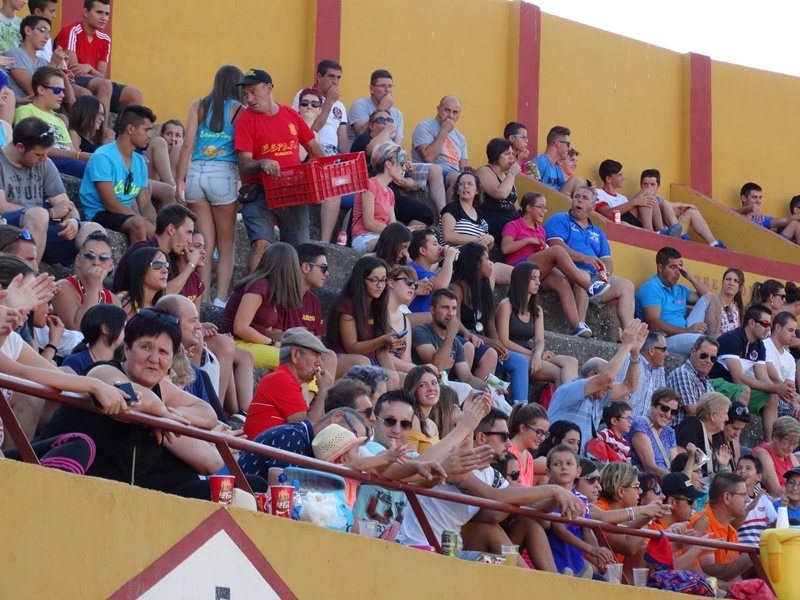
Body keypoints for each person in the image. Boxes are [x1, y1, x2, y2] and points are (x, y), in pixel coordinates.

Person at [37, 308, 217, 484]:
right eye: (146, 347)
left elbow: (208, 414)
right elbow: (132, 397)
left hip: (109, 491)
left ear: (172, 359)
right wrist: (161, 414)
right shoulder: (103, 371)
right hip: (48, 473)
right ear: (127, 348)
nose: (154, 359)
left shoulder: (161, 388)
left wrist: (174, 414)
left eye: (163, 352)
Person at [401, 407, 586, 567]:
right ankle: (536, 585)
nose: (509, 443)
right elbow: (496, 496)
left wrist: (558, 499)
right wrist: (554, 490)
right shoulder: (458, 461)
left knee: (501, 529)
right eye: (503, 436)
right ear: (481, 437)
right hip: (422, 548)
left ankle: (545, 582)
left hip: (452, 551)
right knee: (492, 534)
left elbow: (529, 505)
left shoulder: (490, 474)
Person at [233, 69, 325, 271]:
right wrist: (261, 163)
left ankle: (293, 291)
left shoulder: (290, 114)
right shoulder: (245, 119)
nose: (249, 99)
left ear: (269, 88)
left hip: (293, 192)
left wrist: (328, 169)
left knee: (300, 252)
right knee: (261, 245)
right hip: (260, 192)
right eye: (246, 94)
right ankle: (251, 288)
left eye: (254, 92)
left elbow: (312, 146)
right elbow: (244, 163)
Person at [175, 64, 244, 307]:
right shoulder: (239, 109)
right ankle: (219, 300)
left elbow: (187, 144)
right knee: (227, 245)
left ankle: (201, 300)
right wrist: (243, 184)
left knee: (204, 243)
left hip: (196, 173)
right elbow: (242, 149)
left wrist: (179, 181)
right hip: (223, 174)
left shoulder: (198, 105)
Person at [501, 192, 609, 337]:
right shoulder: (514, 225)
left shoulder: (540, 230)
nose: (545, 211)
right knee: (557, 250)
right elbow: (505, 248)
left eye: (545, 208)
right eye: (541, 207)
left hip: (536, 271)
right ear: (529, 208)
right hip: (519, 267)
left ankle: (577, 326)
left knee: (562, 282)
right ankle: (588, 287)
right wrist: (528, 240)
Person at [0, 116, 97, 266]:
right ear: (20, 147)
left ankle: (77, 282)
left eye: (46, 153)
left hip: (40, 234)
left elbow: (66, 205)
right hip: (7, 232)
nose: (45, 159)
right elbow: (2, 207)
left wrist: (72, 220)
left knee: (93, 231)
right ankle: (28, 277)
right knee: (39, 215)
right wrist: (49, 213)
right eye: (39, 154)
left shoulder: (45, 164)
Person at [547, 318, 648, 455]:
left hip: (582, 463)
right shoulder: (571, 389)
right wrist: (626, 346)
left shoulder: (598, 397)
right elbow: (607, 377)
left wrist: (634, 353)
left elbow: (629, 387)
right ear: (591, 375)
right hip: (558, 460)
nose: (610, 385)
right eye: (608, 381)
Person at [544, 186, 636, 330]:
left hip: (594, 278)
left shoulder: (598, 232)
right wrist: (583, 258)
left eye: (584, 198)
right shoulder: (559, 219)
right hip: (567, 272)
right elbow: (555, 245)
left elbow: (607, 259)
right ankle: (579, 328)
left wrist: (606, 273)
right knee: (584, 276)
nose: (579, 200)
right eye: (576, 196)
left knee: (627, 285)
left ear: (592, 207)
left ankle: (629, 334)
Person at [450, 242, 528, 404]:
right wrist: (488, 342)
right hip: (462, 340)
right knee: (485, 352)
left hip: (482, 344)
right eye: (487, 259)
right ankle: (468, 401)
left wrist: (499, 346)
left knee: (519, 361)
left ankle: (521, 407)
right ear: (476, 264)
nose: (491, 264)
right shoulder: (457, 288)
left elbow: (490, 326)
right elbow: (455, 322)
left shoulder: (484, 290)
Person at [79, 104, 158, 242]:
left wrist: (156, 226)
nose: (150, 136)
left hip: (124, 215)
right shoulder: (103, 157)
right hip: (100, 214)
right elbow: (110, 203)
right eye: (146, 130)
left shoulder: (139, 161)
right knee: (139, 223)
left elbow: (145, 204)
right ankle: (139, 257)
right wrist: (144, 222)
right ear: (131, 129)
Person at [496, 261, 579, 386]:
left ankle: (571, 397)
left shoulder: (537, 310)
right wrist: (535, 354)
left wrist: (538, 353)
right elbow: (504, 341)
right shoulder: (506, 305)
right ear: (522, 280)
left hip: (530, 353)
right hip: (511, 355)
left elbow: (539, 341)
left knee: (571, 361)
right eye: (533, 278)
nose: (538, 283)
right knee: (557, 372)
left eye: (539, 278)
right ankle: (565, 398)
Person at [709, 304, 785, 440]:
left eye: (770, 325)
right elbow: (738, 378)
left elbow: (763, 378)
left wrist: (779, 390)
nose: (768, 329)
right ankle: (734, 442)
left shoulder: (759, 345)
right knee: (744, 390)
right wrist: (776, 387)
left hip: (733, 388)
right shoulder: (732, 338)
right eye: (765, 324)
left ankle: (770, 445)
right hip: (713, 383)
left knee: (771, 397)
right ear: (751, 323)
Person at [242, 327, 333, 440]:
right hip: (261, 450)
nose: (320, 363)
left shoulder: (287, 379)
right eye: (315, 355)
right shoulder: (281, 379)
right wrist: (323, 390)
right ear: (295, 354)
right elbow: (308, 429)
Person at [56, 0, 144, 116]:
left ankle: (127, 128)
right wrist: (96, 74)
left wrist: (89, 68)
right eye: (99, 12)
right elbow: (74, 71)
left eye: (107, 14)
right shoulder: (71, 31)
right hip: (73, 81)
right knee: (105, 84)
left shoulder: (105, 39)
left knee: (135, 94)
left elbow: (101, 75)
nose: (104, 18)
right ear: (86, 12)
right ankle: (101, 127)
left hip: (96, 82)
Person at [238, 406, 368, 485]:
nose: (350, 444)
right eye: (352, 434)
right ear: (337, 417)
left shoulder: (313, 447)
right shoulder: (293, 436)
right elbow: (279, 488)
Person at [350, 109, 436, 224]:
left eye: (389, 120)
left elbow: (409, 179)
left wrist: (405, 182)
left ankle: (409, 235)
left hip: (391, 195)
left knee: (425, 213)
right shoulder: (363, 139)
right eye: (381, 119)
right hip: (370, 193)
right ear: (371, 125)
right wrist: (387, 130)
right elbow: (372, 150)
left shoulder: (392, 149)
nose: (386, 122)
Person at [544, 444, 615, 578]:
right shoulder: (548, 497)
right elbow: (561, 531)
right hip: (557, 564)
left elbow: (586, 531)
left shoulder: (582, 498)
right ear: (548, 472)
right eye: (557, 464)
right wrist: (592, 549)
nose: (564, 467)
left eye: (569, 463)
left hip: (577, 565)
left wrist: (599, 554)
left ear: (578, 471)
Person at [327, 255, 401, 379]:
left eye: (383, 280)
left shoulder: (378, 306)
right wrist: (382, 340)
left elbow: (382, 352)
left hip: (372, 363)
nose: (380, 285)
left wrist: (394, 376)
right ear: (361, 280)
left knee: (407, 378)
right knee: (363, 363)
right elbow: (351, 348)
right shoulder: (348, 305)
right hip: (346, 359)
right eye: (374, 280)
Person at [636, 247, 722, 351]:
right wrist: (687, 331)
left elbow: (710, 297)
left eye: (680, 267)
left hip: (685, 332)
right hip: (663, 339)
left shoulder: (679, 289)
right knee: (703, 342)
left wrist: (690, 277)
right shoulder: (651, 288)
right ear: (660, 267)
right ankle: (711, 347)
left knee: (712, 297)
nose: (677, 272)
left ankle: (713, 346)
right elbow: (654, 323)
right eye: (673, 267)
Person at [411, 288, 493, 391]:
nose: (451, 313)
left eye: (454, 308)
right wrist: (450, 335)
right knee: (466, 389)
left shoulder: (455, 342)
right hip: (423, 388)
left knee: (490, 395)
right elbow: (437, 366)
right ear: (432, 310)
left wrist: (490, 388)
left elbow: (467, 378)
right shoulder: (421, 332)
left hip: (443, 388)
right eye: (445, 308)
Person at [111, 203, 198, 295]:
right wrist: (191, 265)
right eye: (188, 232)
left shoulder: (169, 258)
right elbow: (161, 295)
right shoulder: (143, 249)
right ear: (171, 229)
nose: (190, 240)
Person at [667, 336, 748, 425]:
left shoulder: (706, 380)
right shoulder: (683, 374)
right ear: (693, 352)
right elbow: (693, 411)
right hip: (682, 430)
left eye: (713, 359)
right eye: (704, 356)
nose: (708, 361)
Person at [687, 473, 753, 584]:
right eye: (743, 494)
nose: (747, 499)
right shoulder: (699, 523)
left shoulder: (732, 532)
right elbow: (703, 575)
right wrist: (747, 561)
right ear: (727, 498)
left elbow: (734, 577)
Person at [639, 169, 726, 247]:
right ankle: (679, 235)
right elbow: (658, 204)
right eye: (645, 184)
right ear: (641, 185)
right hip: (656, 232)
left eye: (652, 184)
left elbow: (673, 211)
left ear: (658, 186)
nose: (648, 188)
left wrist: (681, 209)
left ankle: (714, 243)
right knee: (665, 204)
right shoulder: (638, 198)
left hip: (672, 231)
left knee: (692, 211)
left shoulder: (662, 201)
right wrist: (680, 204)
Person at [52, 231, 120, 330]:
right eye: (89, 256)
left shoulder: (115, 301)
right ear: (78, 260)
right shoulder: (63, 287)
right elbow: (79, 328)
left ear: (110, 265)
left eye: (103, 258)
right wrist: (94, 288)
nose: (96, 262)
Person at [594, 160, 680, 236]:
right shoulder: (598, 193)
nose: (623, 178)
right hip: (618, 224)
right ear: (608, 179)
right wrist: (634, 202)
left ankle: (661, 231)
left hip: (634, 223)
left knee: (652, 196)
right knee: (646, 193)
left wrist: (680, 206)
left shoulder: (623, 198)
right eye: (619, 175)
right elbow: (609, 214)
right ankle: (652, 232)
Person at [350, 142, 409, 253]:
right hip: (364, 237)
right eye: (401, 164)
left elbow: (392, 224)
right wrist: (399, 232)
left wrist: (403, 232)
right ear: (388, 164)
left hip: (382, 236)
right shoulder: (370, 184)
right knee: (393, 247)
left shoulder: (390, 193)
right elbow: (369, 222)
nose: (404, 169)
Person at [411, 95, 469, 191]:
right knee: (459, 180)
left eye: (455, 112)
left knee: (475, 181)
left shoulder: (461, 138)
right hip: (433, 173)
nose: (451, 116)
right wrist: (444, 130)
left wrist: (468, 171)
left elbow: (463, 165)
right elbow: (429, 157)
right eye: (447, 110)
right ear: (438, 109)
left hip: (454, 175)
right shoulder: (425, 127)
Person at [5, 16, 69, 101]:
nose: (47, 37)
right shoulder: (14, 55)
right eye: (42, 30)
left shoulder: (43, 61)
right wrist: (53, 64)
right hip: (23, 107)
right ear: (28, 30)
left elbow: (66, 98)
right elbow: (34, 91)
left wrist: (64, 69)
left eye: (49, 33)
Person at [674, 391, 732, 477]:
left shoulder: (719, 433)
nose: (727, 418)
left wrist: (724, 466)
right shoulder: (692, 424)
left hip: (715, 483)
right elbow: (679, 463)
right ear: (713, 416)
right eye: (725, 413)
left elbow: (729, 471)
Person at [626, 388, 680, 477]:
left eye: (673, 412)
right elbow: (650, 467)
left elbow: (675, 466)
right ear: (653, 405)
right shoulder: (640, 425)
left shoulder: (670, 431)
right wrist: (676, 480)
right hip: (645, 480)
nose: (668, 415)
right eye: (664, 408)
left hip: (667, 479)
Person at [474, 138, 520, 244]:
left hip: (509, 221)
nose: (512, 157)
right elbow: (501, 193)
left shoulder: (507, 177)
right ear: (495, 155)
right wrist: (512, 173)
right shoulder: (484, 171)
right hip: (490, 219)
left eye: (513, 154)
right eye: (507, 153)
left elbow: (516, 207)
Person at [613, 330, 668, 417]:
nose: (667, 354)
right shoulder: (631, 360)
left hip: (648, 423)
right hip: (627, 421)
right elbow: (622, 397)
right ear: (651, 351)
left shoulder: (659, 370)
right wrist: (628, 421)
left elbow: (661, 401)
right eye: (664, 350)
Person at [61, 303, 125, 376]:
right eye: (124, 327)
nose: (128, 332)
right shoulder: (75, 361)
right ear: (106, 329)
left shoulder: (124, 363)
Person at [407, 228, 458, 314]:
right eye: (435, 244)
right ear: (422, 251)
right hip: (415, 320)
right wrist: (449, 258)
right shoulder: (412, 269)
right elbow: (441, 285)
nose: (440, 247)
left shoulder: (426, 271)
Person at [735, 455, 777, 547]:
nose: (742, 471)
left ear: (758, 477)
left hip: (761, 550)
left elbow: (774, 529)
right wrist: (749, 508)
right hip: (739, 551)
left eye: (748, 468)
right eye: (739, 468)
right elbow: (731, 528)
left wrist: (784, 508)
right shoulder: (731, 499)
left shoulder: (764, 501)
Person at [736, 182, 800, 242]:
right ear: (744, 198)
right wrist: (751, 207)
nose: (758, 201)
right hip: (743, 245)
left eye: (760, 198)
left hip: (766, 247)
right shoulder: (733, 214)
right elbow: (735, 214)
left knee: (794, 223)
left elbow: (786, 220)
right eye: (754, 197)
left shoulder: (762, 219)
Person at [752, 416, 800, 497]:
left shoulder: (790, 456)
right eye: (787, 443)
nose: (791, 448)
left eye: (795, 444)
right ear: (775, 437)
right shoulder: (762, 453)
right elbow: (775, 491)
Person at [764, 311, 800, 418]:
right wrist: (794, 403)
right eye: (790, 330)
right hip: (768, 394)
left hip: (784, 397)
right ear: (778, 327)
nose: (794, 335)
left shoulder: (790, 358)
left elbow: (790, 388)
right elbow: (774, 378)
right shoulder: (764, 346)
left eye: (794, 331)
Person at [116, 247, 168, 317]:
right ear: (140, 268)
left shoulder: (162, 307)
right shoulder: (124, 302)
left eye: (166, 265)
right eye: (157, 265)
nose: (165, 270)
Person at [532, 125, 583, 197]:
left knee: (577, 180)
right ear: (557, 143)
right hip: (542, 201)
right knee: (576, 179)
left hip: (553, 200)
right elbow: (530, 190)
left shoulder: (557, 169)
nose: (569, 148)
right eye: (568, 144)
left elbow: (565, 189)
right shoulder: (540, 162)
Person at [385, 264, 418, 376]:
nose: (413, 287)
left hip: (398, 372)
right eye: (408, 282)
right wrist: (419, 369)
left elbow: (406, 360)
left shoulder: (405, 321)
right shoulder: (376, 313)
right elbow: (377, 354)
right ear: (391, 282)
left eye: (415, 285)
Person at [507, 403, 549, 487]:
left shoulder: (528, 456)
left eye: (545, 433)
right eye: (539, 432)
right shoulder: (508, 452)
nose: (543, 438)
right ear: (523, 428)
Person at [404, 365, 442, 452]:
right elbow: (410, 459)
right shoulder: (412, 420)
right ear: (413, 390)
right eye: (423, 385)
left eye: (434, 383)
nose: (431, 389)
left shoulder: (432, 424)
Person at [715, 401, 750, 472]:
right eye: (735, 428)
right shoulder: (711, 441)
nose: (737, 434)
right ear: (724, 422)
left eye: (741, 429)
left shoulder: (735, 445)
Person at [718, 268, 746, 335]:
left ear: (740, 288)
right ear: (722, 283)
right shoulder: (713, 301)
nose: (731, 283)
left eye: (735, 281)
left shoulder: (736, 310)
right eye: (728, 279)